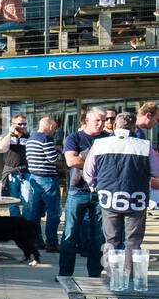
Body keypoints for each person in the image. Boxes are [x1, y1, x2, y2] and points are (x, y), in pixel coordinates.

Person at [85, 112, 159, 274]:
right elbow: (155, 171)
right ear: (133, 128)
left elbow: (89, 172)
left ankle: (112, 276)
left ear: (115, 126)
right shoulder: (145, 146)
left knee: (111, 239)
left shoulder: (99, 144)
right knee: (133, 241)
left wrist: (95, 188)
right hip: (136, 198)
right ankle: (129, 276)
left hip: (108, 198)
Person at [60, 108, 109, 279]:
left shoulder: (108, 139)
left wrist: (86, 162)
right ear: (87, 120)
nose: (101, 124)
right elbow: (71, 160)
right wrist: (98, 164)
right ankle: (65, 274)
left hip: (101, 193)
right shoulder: (75, 137)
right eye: (98, 120)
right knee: (70, 233)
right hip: (77, 191)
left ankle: (95, 275)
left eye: (104, 120)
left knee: (98, 237)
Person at [22, 116, 62, 252]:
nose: (55, 130)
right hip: (48, 179)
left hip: (34, 178)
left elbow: (29, 159)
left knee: (36, 213)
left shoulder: (31, 139)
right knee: (54, 212)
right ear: (49, 126)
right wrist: (59, 150)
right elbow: (53, 158)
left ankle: (37, 240)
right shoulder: (46, 139)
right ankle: (52, 243)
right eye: (55, 128)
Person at [0, 114, 30, 202]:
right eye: (20, 124)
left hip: (25, 171)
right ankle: (15, 216)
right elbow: (1, 147)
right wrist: (10, 134)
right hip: (11, 172)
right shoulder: (6, 136)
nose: (23, 126)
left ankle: (25, 216)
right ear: (13, 124)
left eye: (24, 124)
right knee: (12, 200)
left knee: (27, 199)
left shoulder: (27, 137)